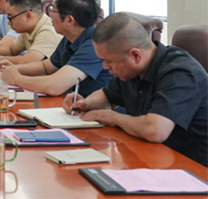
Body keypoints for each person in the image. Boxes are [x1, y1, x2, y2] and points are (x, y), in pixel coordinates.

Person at [64, 12, 208, 167]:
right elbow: (107, 96)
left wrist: (114, 118)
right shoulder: (132, 69)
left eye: (108, 61)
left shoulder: (180, 73)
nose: (105, 67)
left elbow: (155, 130)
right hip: (154, 156)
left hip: (194, 167)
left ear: (135, 55)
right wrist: (85, 103)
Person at [0, 0, 112, 97]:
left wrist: (16, 78)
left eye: (53, 10)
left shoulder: (94, 44)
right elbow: (45, 67)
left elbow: (54, 86)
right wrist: (16, 68)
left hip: (94, 108)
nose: (49, 14)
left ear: (69, 20)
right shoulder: (70, 38)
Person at [0, 0, 59, 65]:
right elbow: (11, 50)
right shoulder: (28, 29)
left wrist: (1, 59)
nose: (9, 23)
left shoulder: (47, 31)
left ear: (28, 15)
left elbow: (29, 60)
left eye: (10, 17)